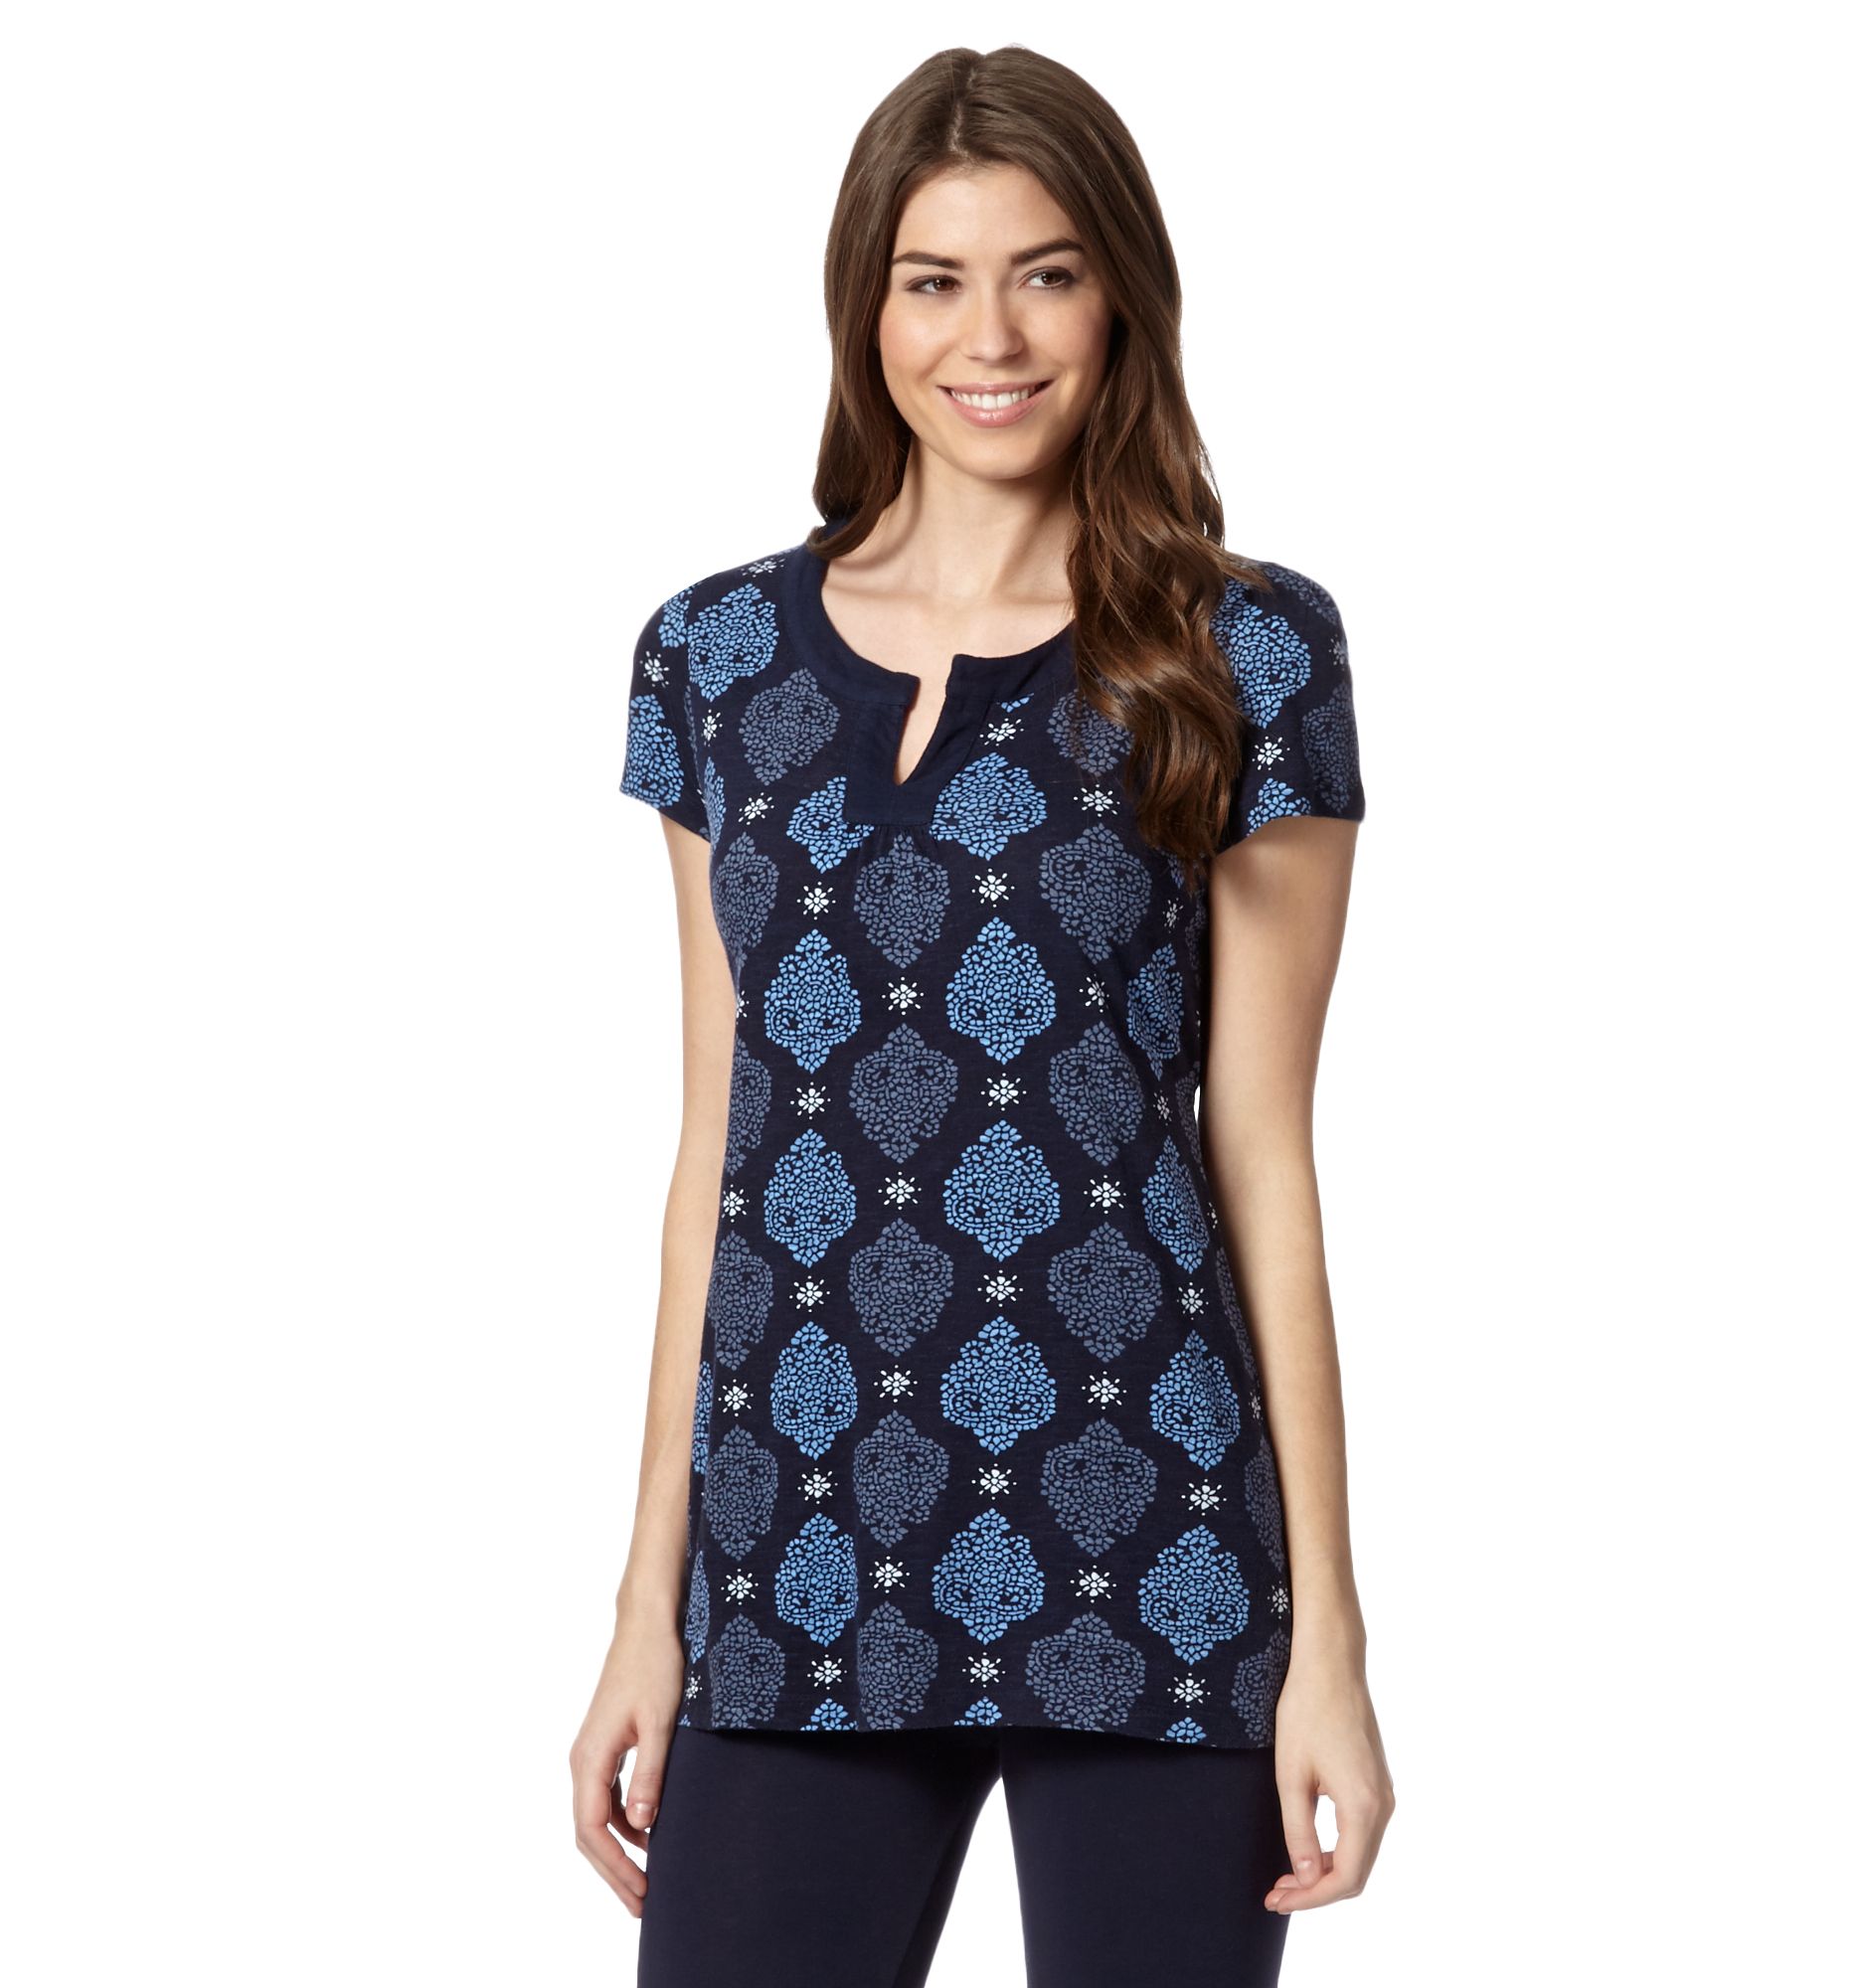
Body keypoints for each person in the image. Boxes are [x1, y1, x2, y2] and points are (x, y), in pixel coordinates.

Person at [571, 43, 1394, 1988]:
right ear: (866, 310)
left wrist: (1332, 1646)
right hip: (796, 1535)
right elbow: (717, 1155)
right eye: (934, 280)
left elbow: (1264, 1158)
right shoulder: (714, 661)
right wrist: (641, 1606)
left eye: (1046, 273)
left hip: (1155, 1541)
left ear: (1121, 298)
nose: (991, 336)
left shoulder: (1243, 653)